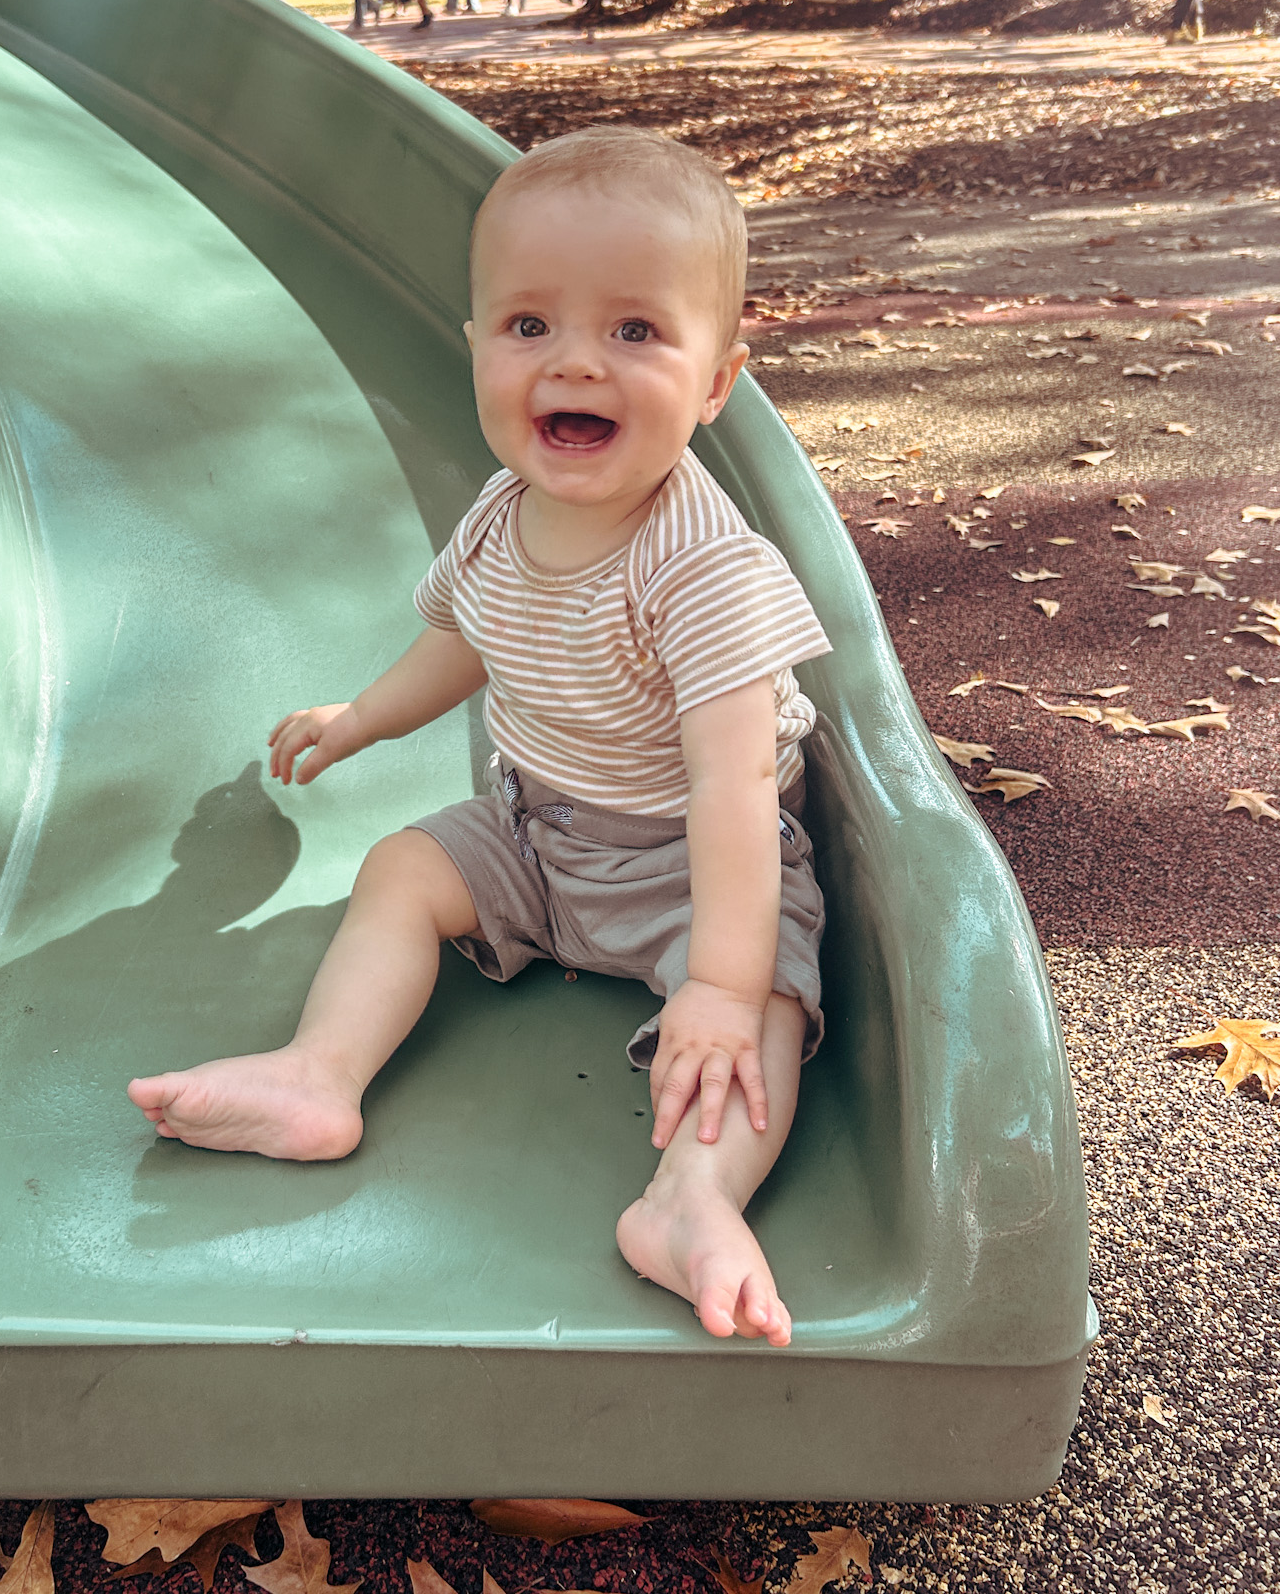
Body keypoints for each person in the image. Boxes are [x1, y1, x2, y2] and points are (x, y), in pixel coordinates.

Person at [130, 125, 833, 1347]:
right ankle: (318, 1074)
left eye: (634, 330)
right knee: (402, 868)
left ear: (717, 379)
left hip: (687, 866)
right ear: (475, 350)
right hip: (537, 831)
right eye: (528, 327)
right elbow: (463, 639)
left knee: (761, 1015)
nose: (577, 363)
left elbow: (730, 793)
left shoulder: (706, 569)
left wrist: (716, 983)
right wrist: (359, 718)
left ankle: (689, 1199)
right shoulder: (502, 515)